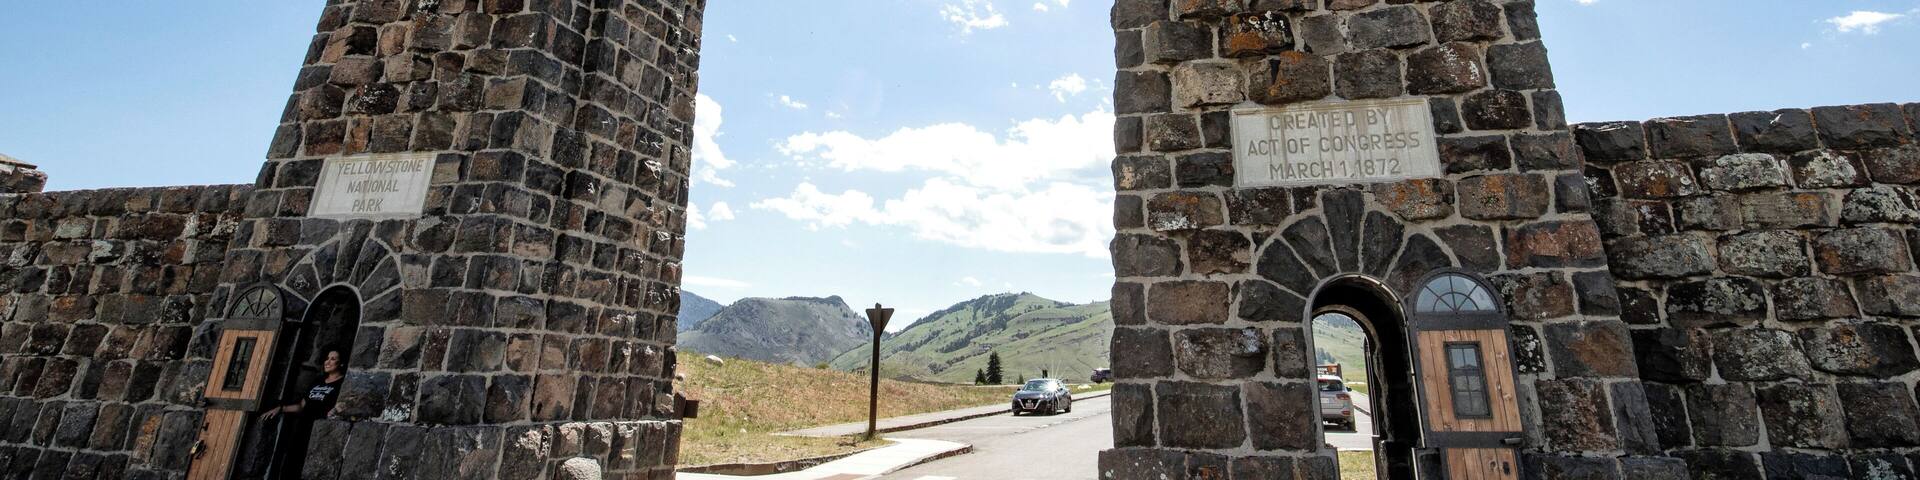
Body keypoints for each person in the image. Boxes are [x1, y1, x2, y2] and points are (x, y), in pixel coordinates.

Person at [263, 350, 345, 421]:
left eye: (333, 359)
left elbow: (342, 408)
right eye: (327, 358)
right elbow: (301, 406)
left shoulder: (342, 383)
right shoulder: (318, 381)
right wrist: (280, 409)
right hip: (304, 424)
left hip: (321, 427)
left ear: (341, 363)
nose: (327, 362)